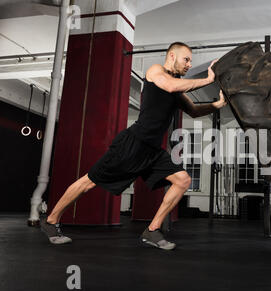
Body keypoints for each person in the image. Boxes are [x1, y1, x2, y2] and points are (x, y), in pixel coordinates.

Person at [41, 42, 227, 250]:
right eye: (187, 59)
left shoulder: (176, 88)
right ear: (172, 56)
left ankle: (152, 230)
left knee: (182, 180)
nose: (188, 64)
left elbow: (193, 110)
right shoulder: (156, 71)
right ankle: (51, 221)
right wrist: (208, 79)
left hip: (153, 151)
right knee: (88, 182)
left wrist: (217, 105)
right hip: (133, 143)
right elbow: (170, 85)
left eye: (190, 61)